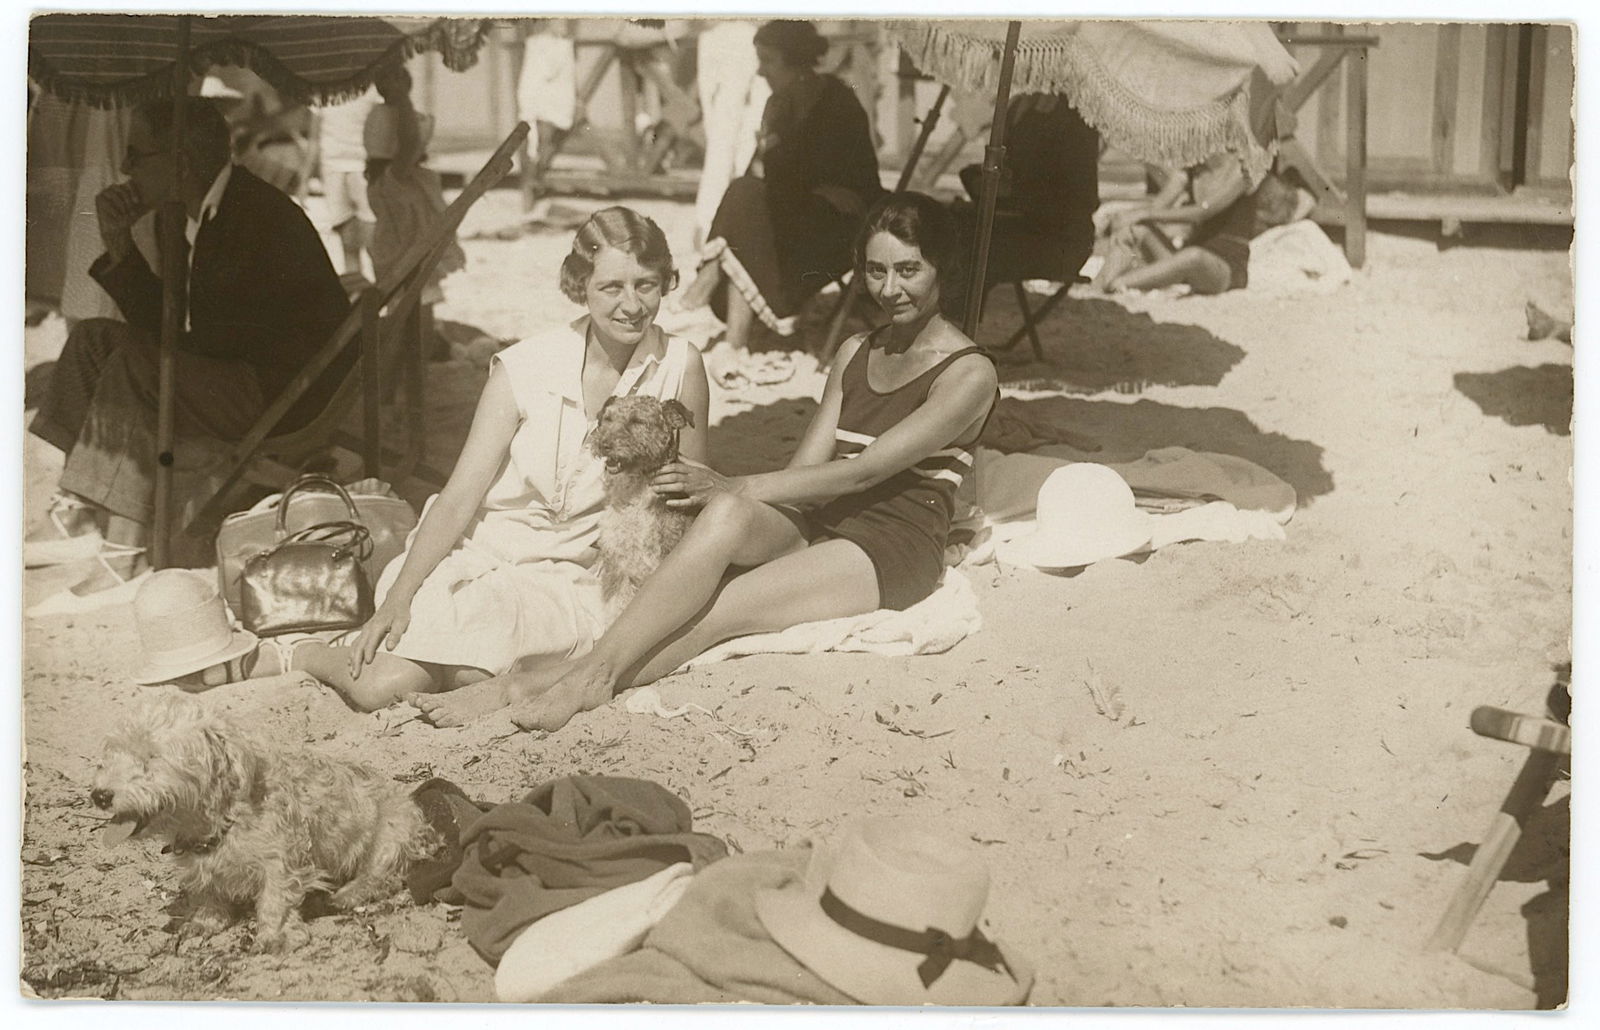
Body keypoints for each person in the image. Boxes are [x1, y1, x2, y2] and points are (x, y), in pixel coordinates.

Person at [412, 192, 998, 731]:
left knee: (714, 616)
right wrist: (733, 506)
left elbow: (863, 472)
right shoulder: (854, 352)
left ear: (941, 267)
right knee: (723, 519)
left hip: (887, 545)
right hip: (821, 521)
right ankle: (572, 674)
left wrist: (733, 484)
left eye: (908, 270)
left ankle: (562, 681)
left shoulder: (969, 374)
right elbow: (805, 470)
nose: (890, 288)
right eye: (876, 270)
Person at [248, 207, 711, 713]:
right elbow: (459, 496)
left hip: (575, 578)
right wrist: (400, 596)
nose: (632, 306)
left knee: (468, 674)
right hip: (485, 558)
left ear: (666, 282)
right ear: (581, 286)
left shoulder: (680, 366)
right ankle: (309, 653)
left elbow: (686, 493)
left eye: (646, 285)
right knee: (381, 688)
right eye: (611, 288)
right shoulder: (525, 366)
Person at [25, 97, 351, 606]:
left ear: (180, 163)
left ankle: (125, 553)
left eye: (138, 155)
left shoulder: (252, 215)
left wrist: (151, 334)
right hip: (238, 369)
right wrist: (122, 248)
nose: (127, 168)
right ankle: (83, 510)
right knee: (93, 337)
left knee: (141, 361)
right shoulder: (188, 214)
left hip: (283, 395)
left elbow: (196, 342)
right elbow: (174, 328)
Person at [676, 19, 883, 386]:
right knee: (745, 195)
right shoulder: (777, 105)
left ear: (796, 60)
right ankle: (733, 339)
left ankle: (706, 285)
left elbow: (863, 180)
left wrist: (829, 191)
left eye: (768, 60)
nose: (759, 70)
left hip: (839, 225)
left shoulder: (838, 99)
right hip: (791, 215)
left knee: (745, 198)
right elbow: (766, 174)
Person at [1091, 151, 1300, 296]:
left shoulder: (1242, 170)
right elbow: (1157, 207)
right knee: (1134, 230)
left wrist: (1144, 213)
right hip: (1187, 257)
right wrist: (1130, 217)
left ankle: (1118, 284)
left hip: (1225, 267)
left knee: (1193, 257)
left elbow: (1203, 212)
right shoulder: (1190, 172)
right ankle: (1098, 287)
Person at [364, 63, 465, 310]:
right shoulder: (393, 179)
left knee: (415, 315)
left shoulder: (402, 179)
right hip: (402, 266)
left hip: (411, 263)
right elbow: (409, 142)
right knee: (409, 318)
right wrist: (401, 96)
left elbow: (409, 142)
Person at [313, 86, 379, 278]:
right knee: (347, 241)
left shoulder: (371, 89)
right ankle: (358, 299)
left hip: (363, 166)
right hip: (332, 168)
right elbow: (314, 138)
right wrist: (304, 178)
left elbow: (382, 125)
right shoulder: (320, 89)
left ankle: (387, 295)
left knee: (373, 242)